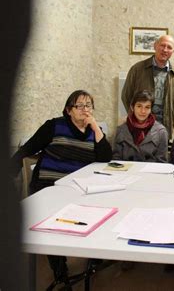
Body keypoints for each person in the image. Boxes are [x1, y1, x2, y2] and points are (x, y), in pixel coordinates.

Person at [10, 89, 112, 284]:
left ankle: (93, 259)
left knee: (102, 209)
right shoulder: (54, 126)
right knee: (51, 223)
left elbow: (105, 159)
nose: (85, 110)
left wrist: (96, 128)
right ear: (68, 110)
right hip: (49, 184)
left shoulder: (94, 131)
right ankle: (59, 270)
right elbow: (28, 147)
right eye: (79, 106)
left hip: (78, 188)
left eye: (88, 105)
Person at [121, 35, 174, 137]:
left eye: (169, 47)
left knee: (161, 152)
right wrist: (136, 116)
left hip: (164, 126)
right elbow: (126, 95)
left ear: (173, 51)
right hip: (140, 125)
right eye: (162, 45)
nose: (165, 50)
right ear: (155, 46)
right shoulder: (137, 69)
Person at [113, 90, 168, 162]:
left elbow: (162, 162)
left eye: (147, 107)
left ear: (151, 109)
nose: (143, 111)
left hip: (150, 172)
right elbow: (116, 160)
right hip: (127, 172)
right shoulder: (121, 130)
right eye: (139, 106)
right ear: (132, 107)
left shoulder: (161, 132)